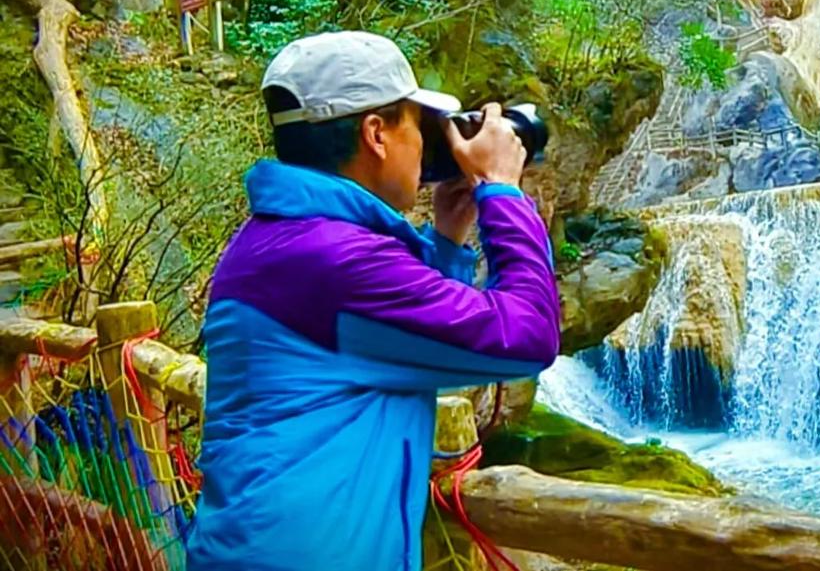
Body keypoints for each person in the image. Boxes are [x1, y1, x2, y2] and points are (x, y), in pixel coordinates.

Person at [185, 31, 560, 570]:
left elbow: (415, 351)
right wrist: (501, 188)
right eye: (418, 125)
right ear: (376, 134)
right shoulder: (337, 262)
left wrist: (448, 242)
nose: (427, 146)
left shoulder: (281, 240)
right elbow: (526, 337)